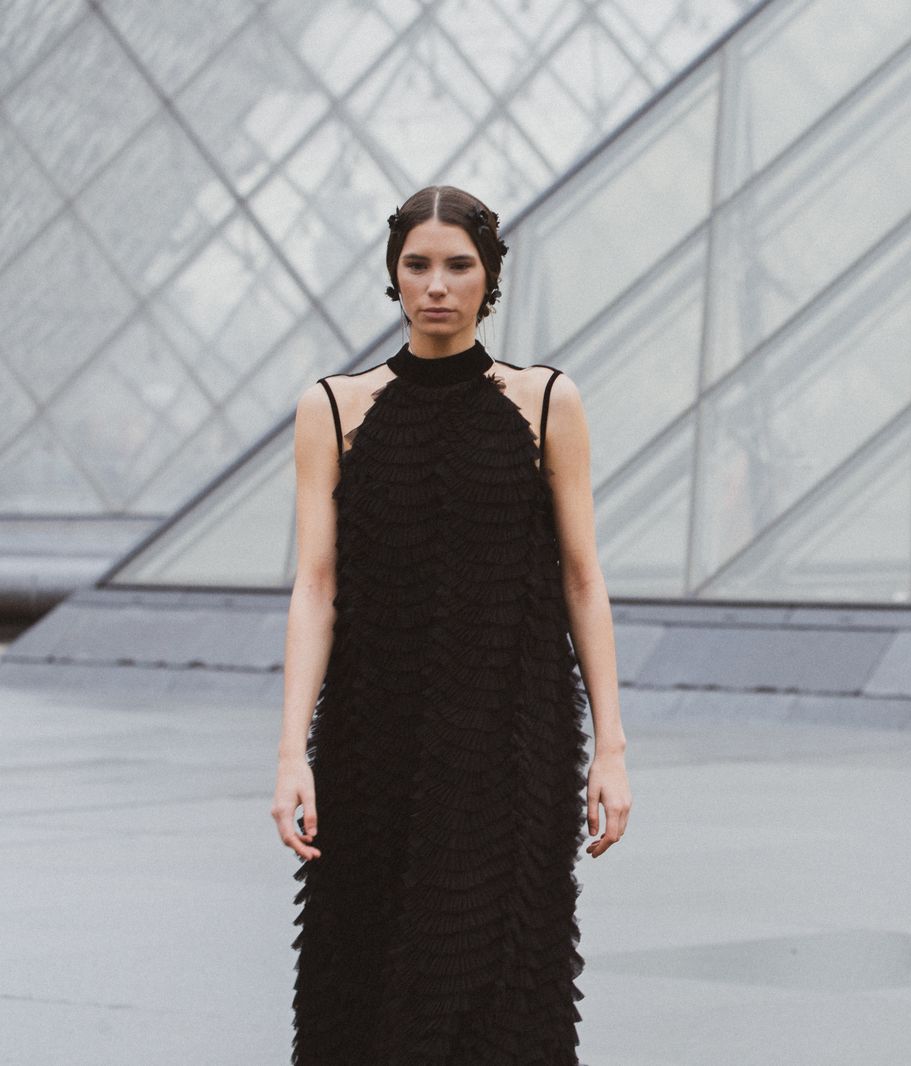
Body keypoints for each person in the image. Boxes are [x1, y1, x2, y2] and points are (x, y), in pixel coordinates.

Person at [271, 184, 631, 1064]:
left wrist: (611, 750)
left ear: (489, 276)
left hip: (512, 740)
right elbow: (314, 588)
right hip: (370, 739)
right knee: (360, 965)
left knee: (498, 972)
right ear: (393, 278)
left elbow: (583, 579)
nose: (437, 284)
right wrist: (290, 756)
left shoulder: (548, 401)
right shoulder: (332, 407)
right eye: (417, 265)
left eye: (458, 265)